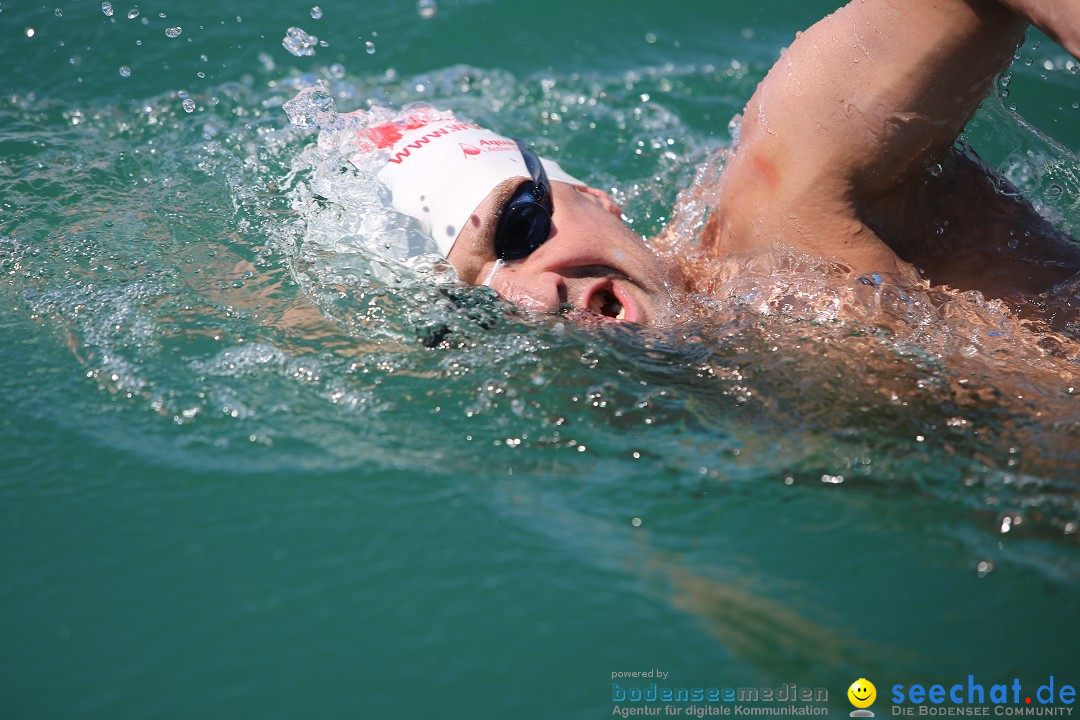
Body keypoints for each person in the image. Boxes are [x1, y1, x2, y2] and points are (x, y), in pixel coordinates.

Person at [350, 0, 1080, 329]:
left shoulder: (786, 194)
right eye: (478, 306)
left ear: (598, 198)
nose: (531, 301)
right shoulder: (685, 401)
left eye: (517, 229)